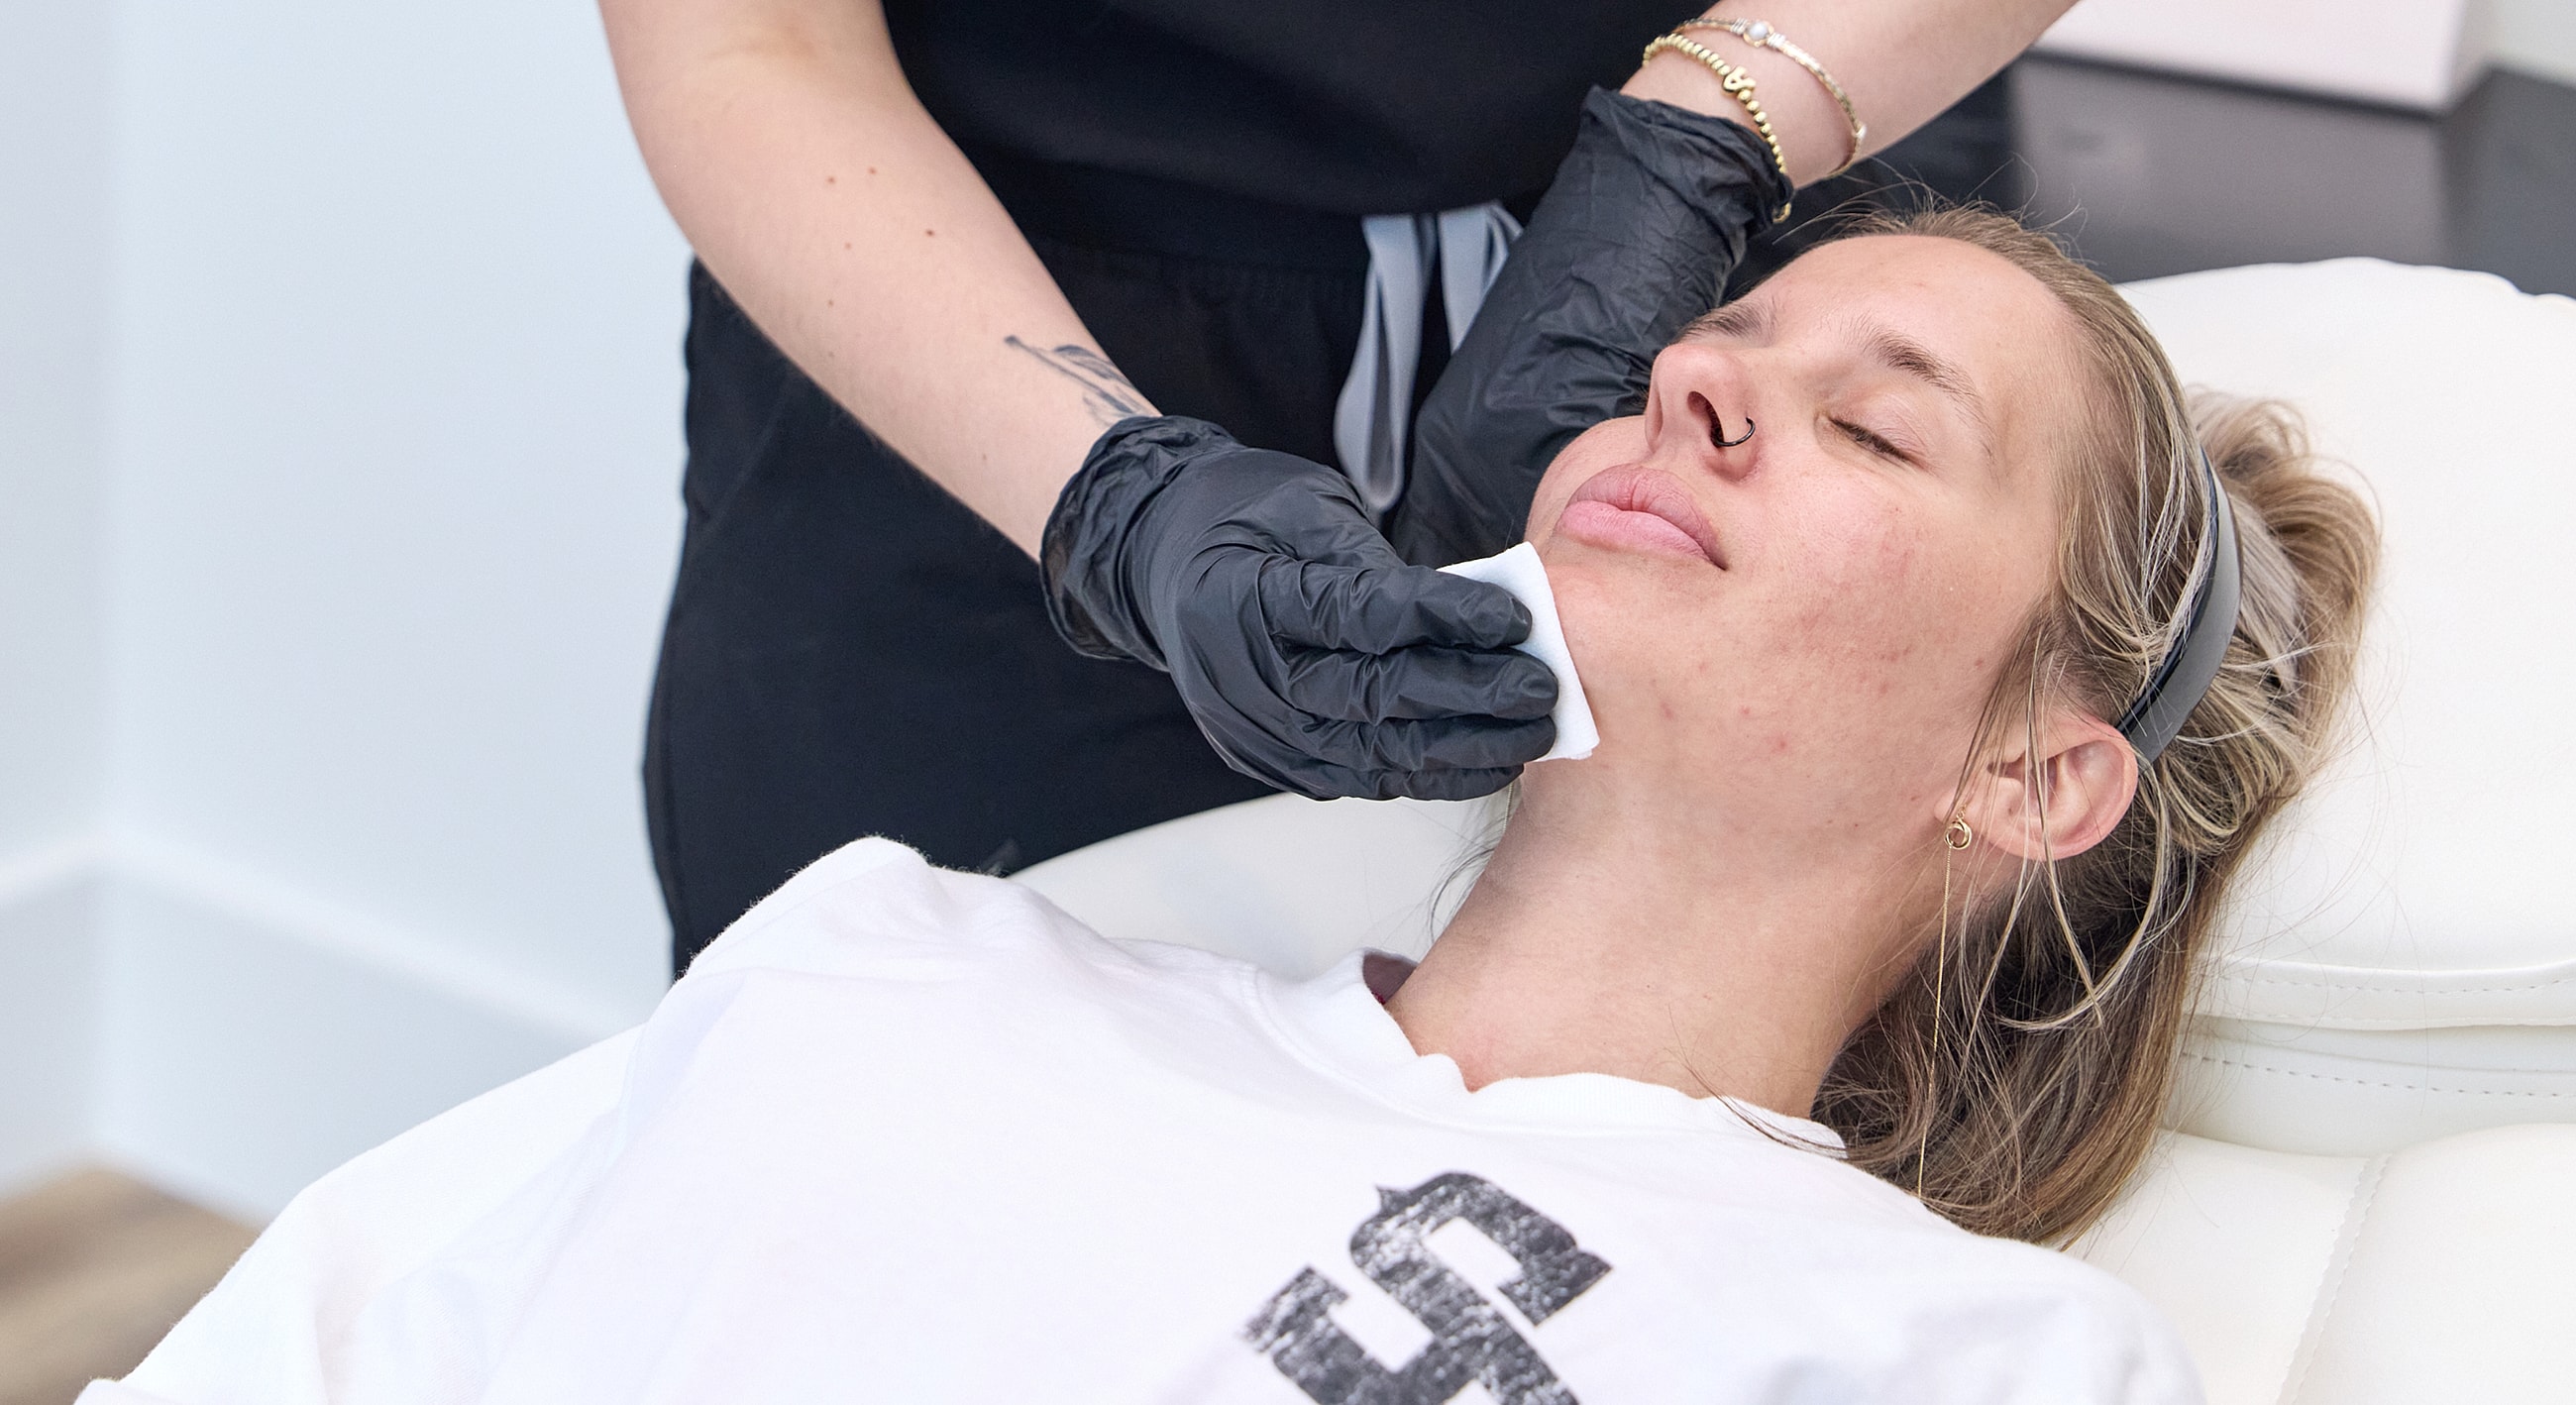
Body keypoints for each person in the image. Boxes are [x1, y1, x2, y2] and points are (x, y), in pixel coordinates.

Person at [104, 207, 2376, 1403]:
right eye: (1724, 339)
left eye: (1877, 429)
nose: (1695, 371)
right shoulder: (892, 958)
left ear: (2036, 770)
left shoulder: (1951, 1357)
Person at [600, 0, 2086, 966]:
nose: (1718, 392)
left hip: (1717, 179)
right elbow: (748, 51)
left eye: (1878, 431)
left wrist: (1705, 133)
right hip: (966, 323)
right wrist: (1115, 502)